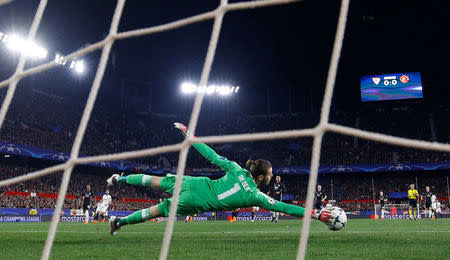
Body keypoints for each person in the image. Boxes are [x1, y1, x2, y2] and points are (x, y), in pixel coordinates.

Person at [106, 122, 332, 235]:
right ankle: (118, 223)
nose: (272, 178)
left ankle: (120, 179)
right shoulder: (256, 196)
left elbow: (210, 154)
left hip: (195, 183)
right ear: (261, 176)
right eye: (271, 174)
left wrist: (190, 136)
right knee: (155, 212)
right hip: (196, 202)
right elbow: (285, 207)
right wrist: (316, 214)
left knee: (153, 180)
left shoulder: (235, 168)